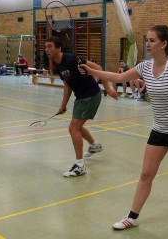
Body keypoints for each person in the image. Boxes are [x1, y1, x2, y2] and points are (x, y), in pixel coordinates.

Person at [79, 25, 168, 233]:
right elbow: (117, 78)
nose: (148, 44)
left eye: (152, 40)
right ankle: (132, 216)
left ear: (164, 44)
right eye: (147, 40)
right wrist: (92, 72)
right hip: (159, 130)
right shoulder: (144, 67)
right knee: (146, 174)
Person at [44, 36, 119, 178]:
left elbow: (97, 68)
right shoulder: (58, 65)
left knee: (73, 128)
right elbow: (67, 86)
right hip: (80, 97)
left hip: (90, 95)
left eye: (50, 46)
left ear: (58, 48)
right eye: (46, 46)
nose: (47, 49)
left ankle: (79, 166)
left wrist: (107, 89)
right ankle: (94, 145)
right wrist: (63, 105)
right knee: (77, 126)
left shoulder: (72, 59)